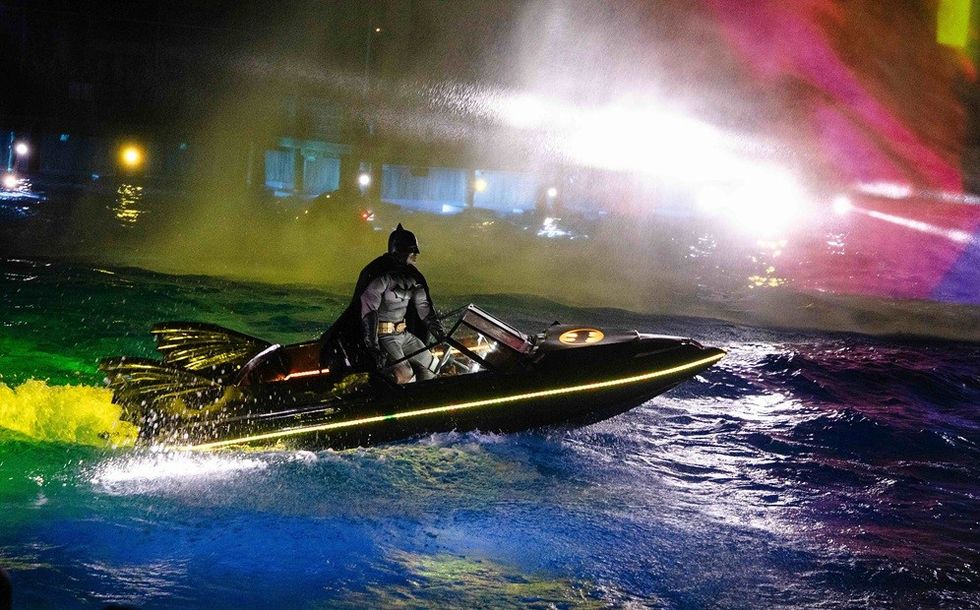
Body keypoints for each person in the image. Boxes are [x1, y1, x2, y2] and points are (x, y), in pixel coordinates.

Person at [321, 224, 445, 384]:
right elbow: (368, 311)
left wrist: (441, 334)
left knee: (432, 365)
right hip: (384, 336)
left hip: (404, 333)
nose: (414, 255)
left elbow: (425, 309)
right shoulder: (379, 274)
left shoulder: (413, 276)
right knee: (403, 373)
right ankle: (398, 398)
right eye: (410, 251)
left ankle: (425, 394)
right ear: (399, 251)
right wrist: (373, 347)